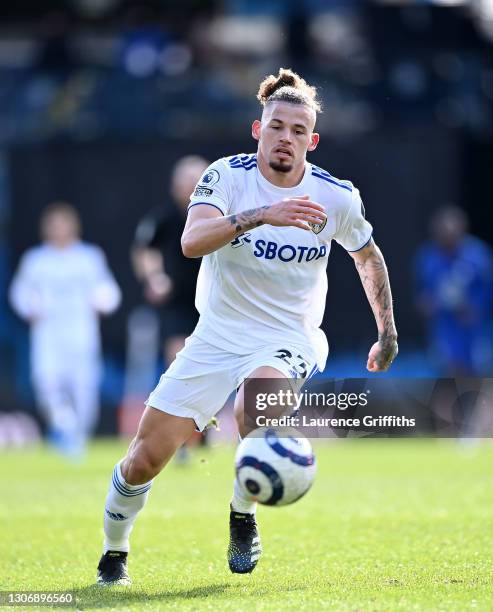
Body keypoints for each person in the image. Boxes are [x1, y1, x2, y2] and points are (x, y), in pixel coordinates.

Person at [96, 68, 398, 585]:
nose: (286, 138)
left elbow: (368, 257)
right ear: (258, 130)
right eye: (277, 126)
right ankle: (114, 552)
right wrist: (263, 214)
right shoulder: (226, 176)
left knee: (254, 404)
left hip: (289, 338)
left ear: (313, 140)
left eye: (298, 131)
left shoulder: (336, 197)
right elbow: (191, 242)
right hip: (216, 336)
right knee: (143, 461)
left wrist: (387, 330)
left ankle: (243, 514)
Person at [9, 202, 121, 456]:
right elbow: (19, 293)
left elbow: (110, 290)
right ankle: (63, 425)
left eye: (63, 224)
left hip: (82, 334)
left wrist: (103, 300)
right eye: (54, 225)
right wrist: (30, 306)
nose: (59, 229)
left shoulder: (89, 257)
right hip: (48, 335)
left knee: (84, 390)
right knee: (46, 383)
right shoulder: (36, 260)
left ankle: (77, 438)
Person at [132, 155, 209, 367]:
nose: (191, 187)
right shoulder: (163, 218)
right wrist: (154, 278)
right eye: (184, 181)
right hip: (181, 300)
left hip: (216, 298)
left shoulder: (222, 217)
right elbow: (146, 249)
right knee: (179, 358)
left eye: (196, 180)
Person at [414, 205, 493, 376]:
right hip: (444, 328)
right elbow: (421, 295)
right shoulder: (427, 258)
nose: (448, 240)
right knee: (448, 377)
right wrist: (427, 304)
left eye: (452, 235)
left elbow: (488, 290)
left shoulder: (479, 256)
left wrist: (475, 308)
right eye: (444, 236)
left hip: (474, 329)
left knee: (479, 376)